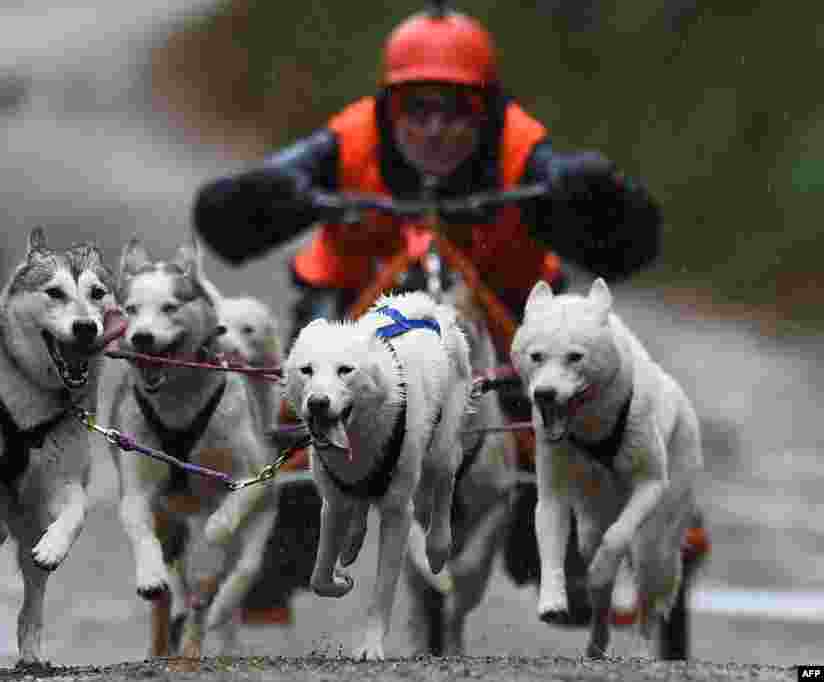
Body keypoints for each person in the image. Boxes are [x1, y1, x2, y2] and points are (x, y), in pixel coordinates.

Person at [192, 2, 662, 630]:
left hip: (500, 309)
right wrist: (270, 193)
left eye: (456, 109)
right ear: (389, 111)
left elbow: (618, 227)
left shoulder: (523, 146)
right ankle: (284, 512)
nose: (435, 128)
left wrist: (588, 190)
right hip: (353, 306)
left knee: (561, 365)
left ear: (488, 111)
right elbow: (262, 189)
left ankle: (574, 525)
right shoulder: (350, 137)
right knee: (304, 365)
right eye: (417, 109)